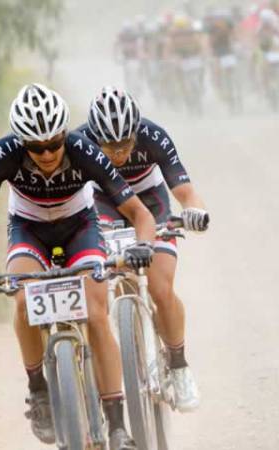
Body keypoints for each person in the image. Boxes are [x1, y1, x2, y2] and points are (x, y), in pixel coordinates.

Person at [0, 83, 157, 450]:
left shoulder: (85, 151)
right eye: (36, 147)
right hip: (28, 230)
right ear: (22, 143)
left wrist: (143, 245)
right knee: (22, 300)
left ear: (65, 134)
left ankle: (117, 425)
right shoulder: (1, 154)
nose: (47, 153)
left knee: (96, 311)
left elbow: (139, 213)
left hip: (80, 227)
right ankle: (38, 391)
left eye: (54, 143)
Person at [76, 87, 210, 412]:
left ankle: (178, 365)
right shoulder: (79, 143)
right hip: (103, 202)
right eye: (110, 146)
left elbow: (185, 190)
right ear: (95, 137)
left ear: (136, 133)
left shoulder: (153, 135)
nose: (119, 152)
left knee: (161, 288)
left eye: (126, 144)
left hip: (151, 201)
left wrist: (194, 211)